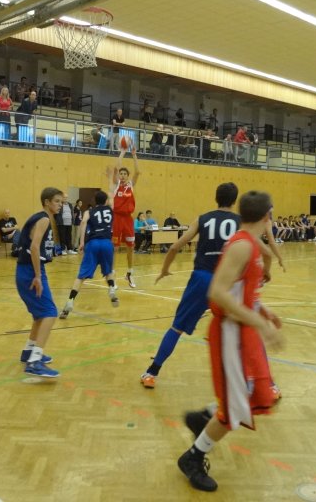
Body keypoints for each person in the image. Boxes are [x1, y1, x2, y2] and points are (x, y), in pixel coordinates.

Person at [177, 190, 284, 492]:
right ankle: (193, 457)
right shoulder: (242, 245)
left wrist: (262, 310)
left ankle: (204, 417)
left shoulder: (248, 242)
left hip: (242, 331)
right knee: (235, 406)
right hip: (230, 333)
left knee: (254, 395)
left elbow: (241, 290)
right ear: (267, 216)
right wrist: (259, 323)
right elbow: (217, 292)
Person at [141, 183, 240, 389]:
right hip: (227, 282)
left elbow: (175, 246)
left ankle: (152, 372)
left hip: (202, 279)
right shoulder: (240, 221)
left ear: (216, 198)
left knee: (176, 328)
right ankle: (264, 383)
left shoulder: (202, 219)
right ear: (234, 200)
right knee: (242, 331)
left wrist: (164, 270)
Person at [15, 187, 64, 378]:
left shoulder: (40, 217)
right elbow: (35, 247)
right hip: (30, 271)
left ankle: (29, 351)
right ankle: (35, 362)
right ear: (46, 202)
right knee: (50, 312)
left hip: (26, 270)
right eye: (57, 201)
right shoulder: (43, 219)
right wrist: (37, 276)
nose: (60, 205)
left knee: (39, 316)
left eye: (61, 202)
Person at [60, 190, 119, 319]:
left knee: (81, 276)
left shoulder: (89, 212)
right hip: (107, 243)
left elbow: (83, 223)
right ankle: (111, 289)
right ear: (106, 201)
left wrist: (81, 242)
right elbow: (113, 198)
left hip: (93, 243)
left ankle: (70, 301)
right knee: (108, 271)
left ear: (94, 201)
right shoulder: (110, 210)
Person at [109, 148, 140, 287]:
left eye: (124, 174)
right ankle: (112, 276)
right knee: (115, 248)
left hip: (128, 219)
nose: (122, 175)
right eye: (120, 174)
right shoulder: (116, 185)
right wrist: (122, 152)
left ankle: (129, 274)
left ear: (127, 176)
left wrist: (134, 155)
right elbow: (116, 167)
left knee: (130, 247)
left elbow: (138, 172)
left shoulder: (130, 185)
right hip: (117, 219)